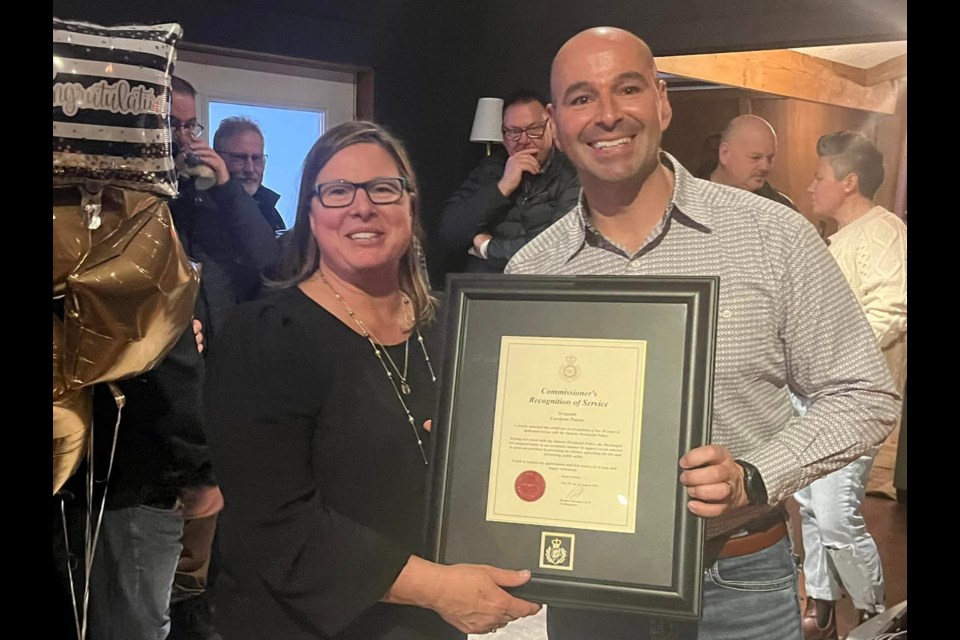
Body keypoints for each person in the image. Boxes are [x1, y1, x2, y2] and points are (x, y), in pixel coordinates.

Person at [505, 27, 899, 640]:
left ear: (662, 101)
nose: (607, 114)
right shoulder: (532, 269)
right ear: (555, 123)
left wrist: (756, 475)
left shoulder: (773, 235)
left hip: (739, 579)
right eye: (581, 98)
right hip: (591, 587)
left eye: (627, 88)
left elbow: (864, 394)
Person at [203, 121, 542, 639]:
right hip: (302, 625)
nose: (362, 208)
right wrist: (439, 589)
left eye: (383, 189)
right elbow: (275, 524)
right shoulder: (263, 338)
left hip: (428, 624)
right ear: (311, 215)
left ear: (409, 205)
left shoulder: (455, 327)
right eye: (337, 191)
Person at [795, 131, 907, 640]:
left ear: (849, 181)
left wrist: (834, 353)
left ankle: (870, 611)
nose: (813, 185)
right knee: (813, 506)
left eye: (820, 176)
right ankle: (821, 602)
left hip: (855, 398)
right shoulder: (836, 238)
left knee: (836, 512)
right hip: (818, 398)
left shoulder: (882, 232)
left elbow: (891, 308)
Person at [439, 90, 580, 272]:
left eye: (533, 130)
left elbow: (556, 247)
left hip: (545, 284)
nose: (523, 140)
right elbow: (449, 233)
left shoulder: (572, 171)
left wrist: (486, 248)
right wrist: (503, 187)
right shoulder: (490, 169)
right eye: (513, 132)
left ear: (550, 126)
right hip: (486, 287)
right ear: (503, 137)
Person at [708, 114, 799, 211]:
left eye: (770, 158)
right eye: (755, 157)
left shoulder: (782, 209)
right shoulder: (692, 200)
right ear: (725, 153)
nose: (765, 167)